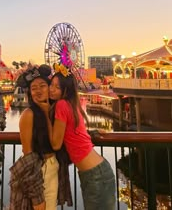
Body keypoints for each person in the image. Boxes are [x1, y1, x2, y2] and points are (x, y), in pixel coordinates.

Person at [37, 63, 116, 210]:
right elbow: (75, 133)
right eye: (51, 85)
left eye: (57, 87)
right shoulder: (70, 105)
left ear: (66, 90)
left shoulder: (61, 105)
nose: (51, 89)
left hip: (96, 175)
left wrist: (46, 112)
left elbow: (55, 144)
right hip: (94, 172)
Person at [9, 64, 72, 210]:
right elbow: (28, 155)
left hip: (53, 167)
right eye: (33, 88)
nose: (38, 91)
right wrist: (36, 197)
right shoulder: (28, 115)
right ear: (29, 93)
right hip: (39, 170)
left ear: (49, 87)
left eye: (42, 86)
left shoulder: (54, 111)